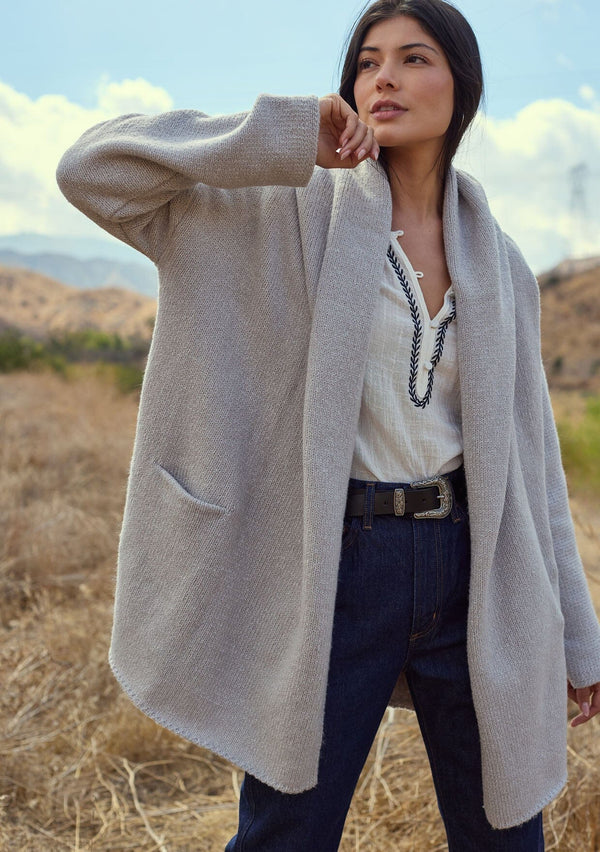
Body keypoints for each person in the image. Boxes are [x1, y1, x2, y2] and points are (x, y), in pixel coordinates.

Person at [56, 0, 600, 848]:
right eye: (367, 61)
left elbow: (536, 471)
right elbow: (92, 170)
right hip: (334, 564)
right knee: (289, 831)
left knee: (507, 833)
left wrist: (576, 634)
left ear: (464, 86)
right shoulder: (282, 207)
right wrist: (272, 136)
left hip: (472, 572)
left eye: (413, 58)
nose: (383, 76)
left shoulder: (503, 264)